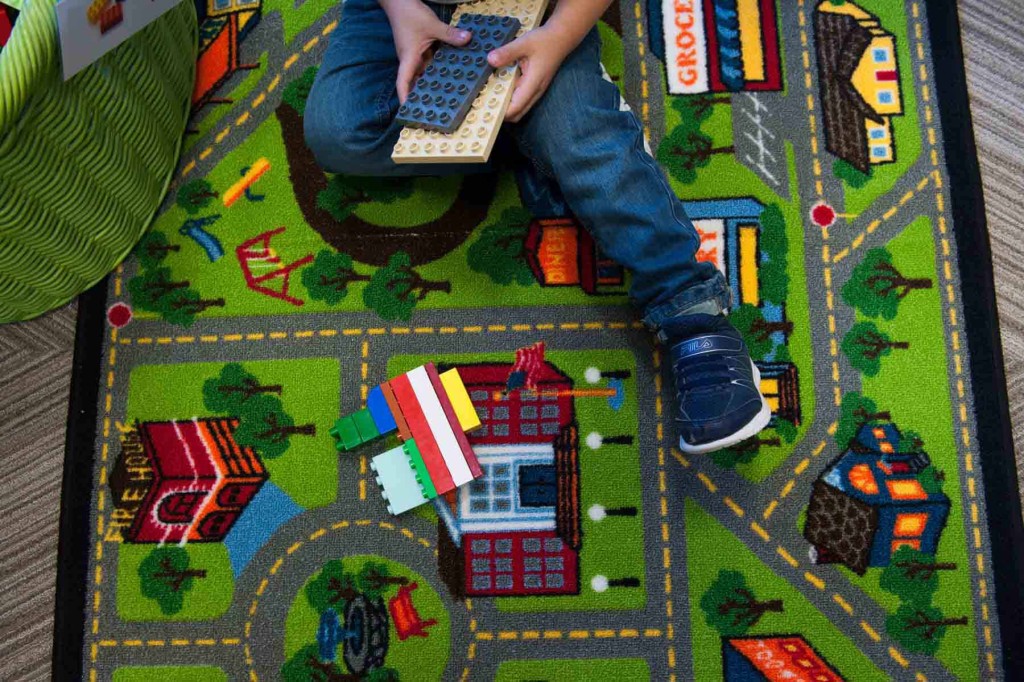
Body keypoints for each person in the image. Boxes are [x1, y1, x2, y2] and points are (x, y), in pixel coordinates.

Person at [303, 0, 771, 454]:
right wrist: (400, 9)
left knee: (584, 139)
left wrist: (562, 34)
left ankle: (689, 309)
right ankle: (527, 136)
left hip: (542, 13)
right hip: (403, 10)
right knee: (338, 135)